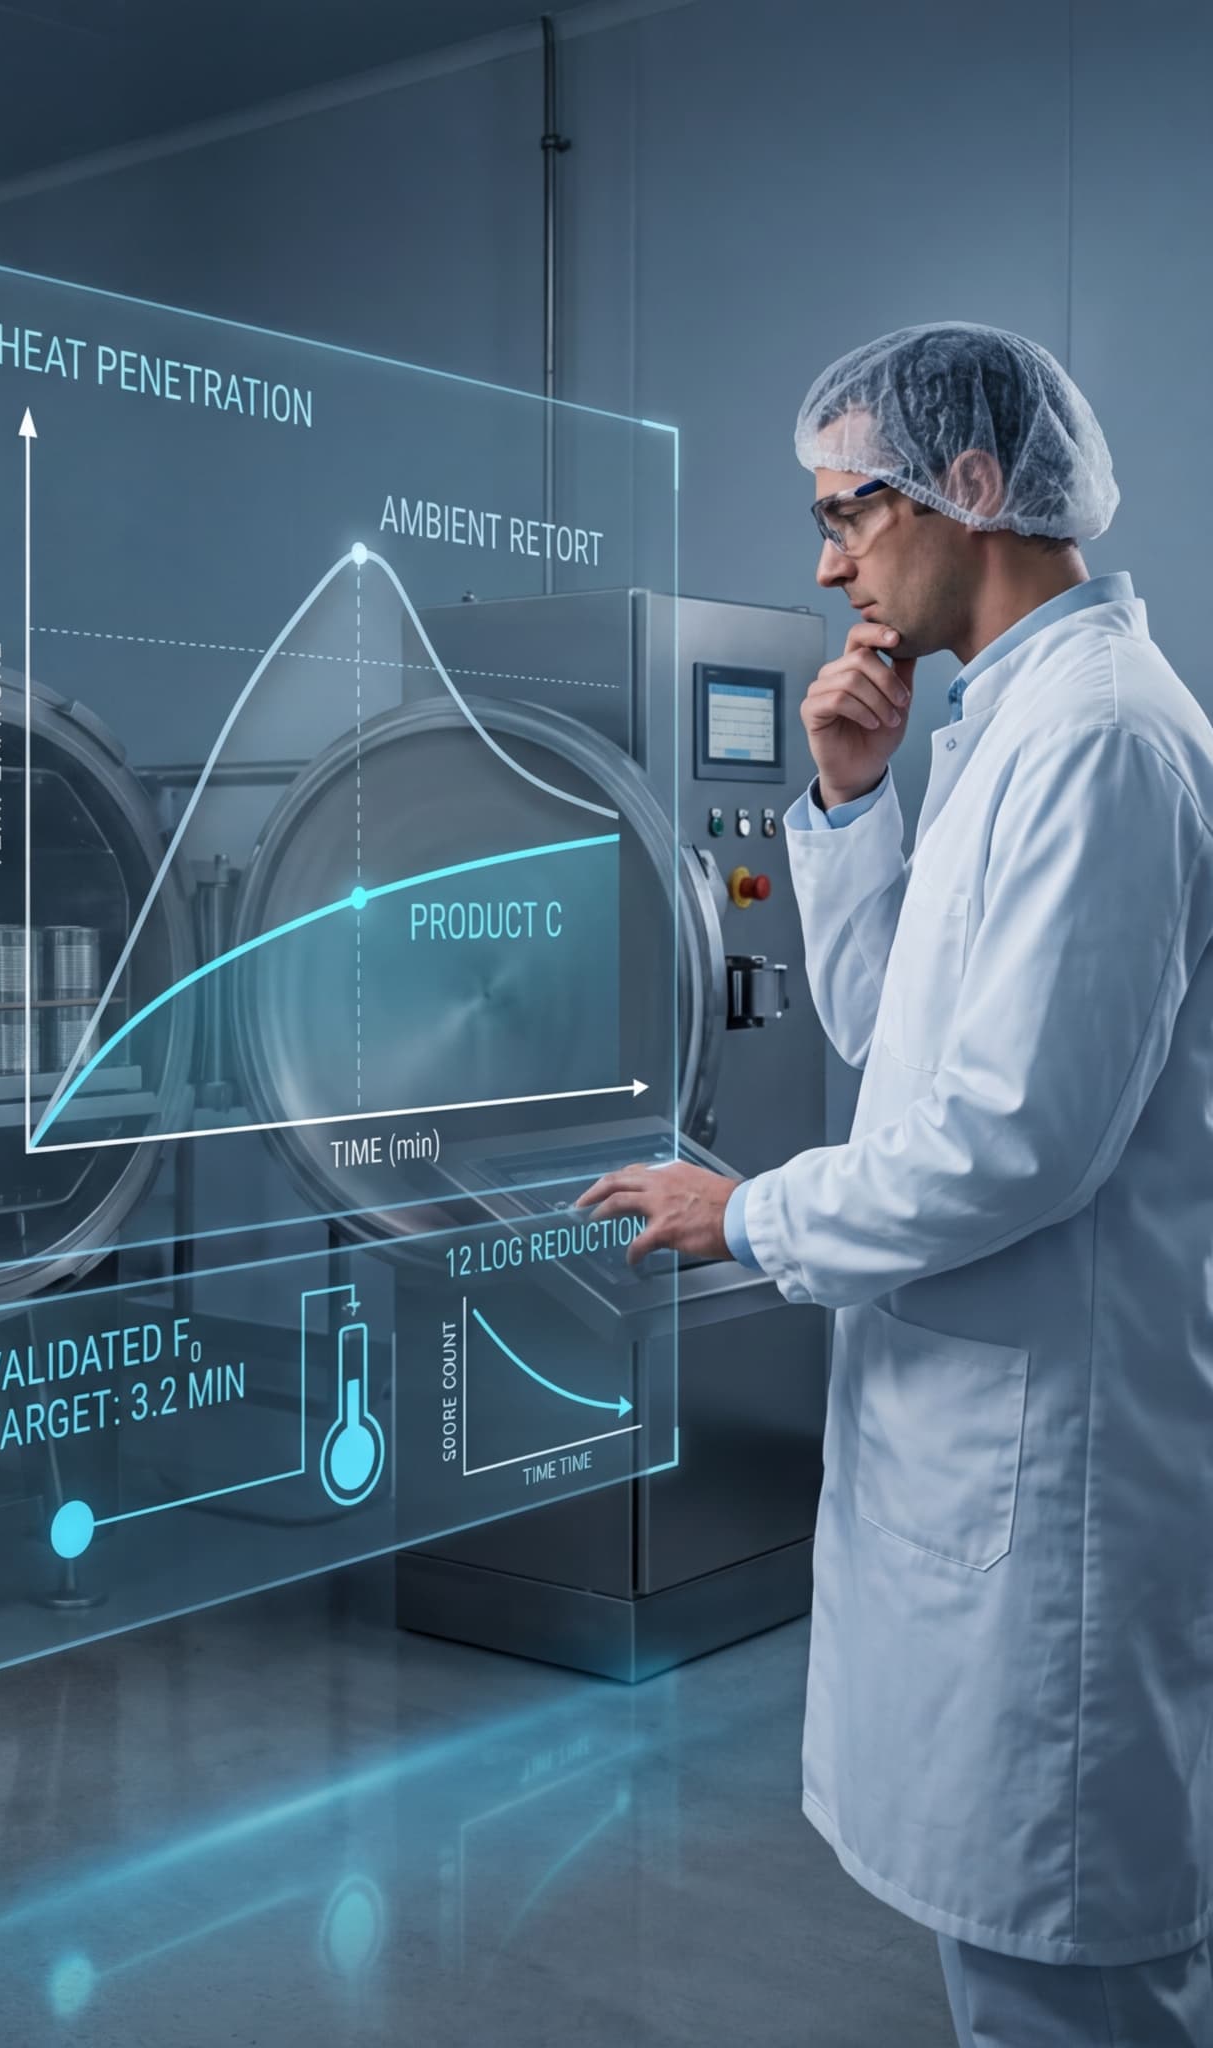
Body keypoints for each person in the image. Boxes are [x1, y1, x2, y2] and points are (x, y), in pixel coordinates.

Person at [577, 322, 1213, 2045]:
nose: (826, 555)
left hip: (1057, 1492)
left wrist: (747, 1213)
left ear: (975, 488)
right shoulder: (1000, 732)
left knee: (1071, 1983)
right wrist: (851, 806)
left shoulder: (1100, 742)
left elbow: (1015, 1141)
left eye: (848, 509)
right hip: (971, 1445)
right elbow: (893, 1050)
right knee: (1010, 1971)